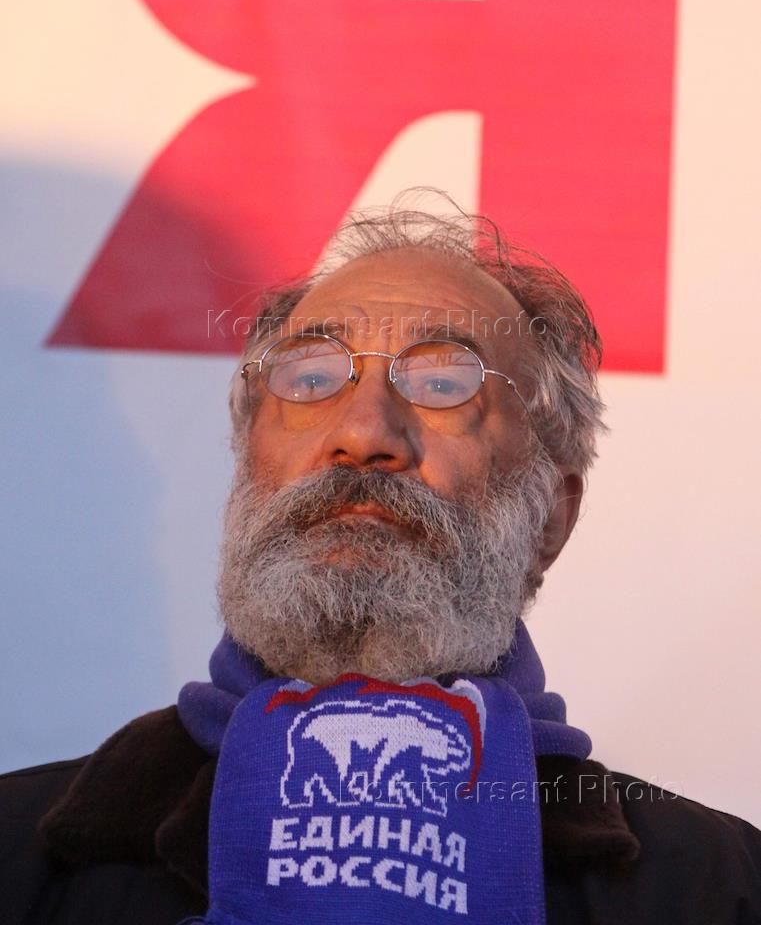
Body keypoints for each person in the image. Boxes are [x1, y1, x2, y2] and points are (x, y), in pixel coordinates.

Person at [3, 199, 760, 924]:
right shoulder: (15, 851)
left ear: (549, 519)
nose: (364, 433)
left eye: (443, 384)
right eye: (311, 379)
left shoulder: (718, 889)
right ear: (246, 467)